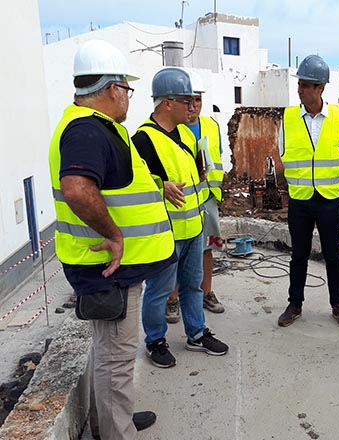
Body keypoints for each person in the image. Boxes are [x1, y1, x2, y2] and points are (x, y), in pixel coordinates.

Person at [48, 39, 173, 439]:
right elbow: (78, 189)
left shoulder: (94, 128)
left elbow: (118, 188)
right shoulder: (87, 130)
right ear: (112, 88)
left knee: (114, 355)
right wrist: (115, 235)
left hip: (113, 269)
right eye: (127, 90)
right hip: (108, 268)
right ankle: (116, 431)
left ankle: (115, 415)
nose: (128, 100)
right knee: (116, 359)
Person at [132, 67, 228, 368]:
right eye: (187, 101)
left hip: (193, 226)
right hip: (165, 232)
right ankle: (155, 340)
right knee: (159, 290)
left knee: (193, 285)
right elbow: (133, 187)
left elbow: (199, 174)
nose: (193, 107)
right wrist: (161, 186)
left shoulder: (187, 134)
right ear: (166, 103)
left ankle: (196, 333)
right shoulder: (143, 140)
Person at [277, 54, 339, 328]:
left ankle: (338, 305)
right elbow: (283, 153)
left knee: (333, 255)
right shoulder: (288, 117)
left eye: (305, 85)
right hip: (299, 200)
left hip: (328, 200)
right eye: (299, 84)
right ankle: (294, 304)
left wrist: (337, 178)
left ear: (320, 88)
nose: (300, 89)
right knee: (298, 255)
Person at [164, 70, 225, 324]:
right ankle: (172, 299)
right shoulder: (172, 130)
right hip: (183, 200)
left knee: (207, 247)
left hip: (208, 197)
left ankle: (206, 292)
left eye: (197, 100)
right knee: (177, 251)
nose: (194, 106)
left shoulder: (211, 125)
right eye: (189, 101)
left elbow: (218, 156)